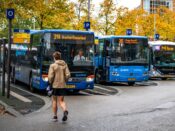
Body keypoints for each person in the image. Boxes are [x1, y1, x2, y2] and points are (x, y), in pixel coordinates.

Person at [48, 52, 70, 122]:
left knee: (54, 100)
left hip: (55, 85)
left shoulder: (53, 65)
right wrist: (65, 80)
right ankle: (65, 110)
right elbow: (68, 75)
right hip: (62, 85)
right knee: (61, 101)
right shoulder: (64, 65)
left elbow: (50, 77)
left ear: (54, 58)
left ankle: (55, 117)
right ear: (60, 57)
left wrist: (50, 82)